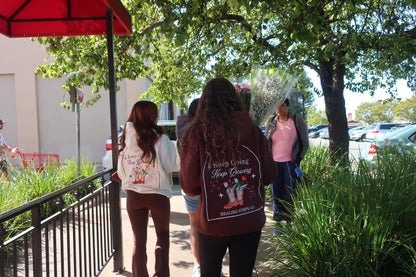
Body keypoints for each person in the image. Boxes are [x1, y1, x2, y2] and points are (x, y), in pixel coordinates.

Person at [180, 78, 277, 277]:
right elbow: (269, 175)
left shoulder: (197, 135)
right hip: (249, 219)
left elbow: (189, 186)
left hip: (212, 222)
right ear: (236, 99)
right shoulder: (254, 132)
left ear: (205, 102)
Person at [117, 101, 179, 277]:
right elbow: (171, 165)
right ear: (153, 116)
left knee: (139, 241)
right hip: (157, 194)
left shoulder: (126, 140)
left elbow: (121, 172)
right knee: (162, 237)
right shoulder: (161, 139)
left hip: (133, 196)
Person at [264, 98, 309, 235]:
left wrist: (298, 159)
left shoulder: (296, 121)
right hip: (275, 163)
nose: (280, 108)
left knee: (290, 193)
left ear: (288, 107)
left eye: (283, 105)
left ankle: (289, 222)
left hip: (290, 163)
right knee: (276, 192)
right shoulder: (271, 122)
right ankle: (278, 223)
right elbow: (266, 142)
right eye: (277, 105)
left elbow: (304, 142)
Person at [175, 98, 201, 277]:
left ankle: (198, 266)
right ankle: (210, 266)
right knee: (212, 224)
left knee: (194, 225)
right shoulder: (208, 129)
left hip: (188, 182)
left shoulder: (183, 129)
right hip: (209, 184)